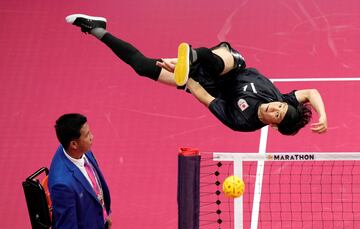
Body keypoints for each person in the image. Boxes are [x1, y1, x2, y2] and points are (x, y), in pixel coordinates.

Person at [65, 14, 327, 135]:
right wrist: (324, 116)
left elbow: (202, 96)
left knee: (143, 66)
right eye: (279, 105)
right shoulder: (284, 100)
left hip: (207, 85)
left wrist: (182, 76)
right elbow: (312, 92)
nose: (274, 107)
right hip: (232, 64)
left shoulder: (242, 121)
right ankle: (193, 55)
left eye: (276, 114)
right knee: (215, 61)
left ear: (272, 124)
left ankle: (96, 29)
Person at [48, 113, 112, 229]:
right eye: (87, 135)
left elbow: (95, 186)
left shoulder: (77, 149)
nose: (92, 137)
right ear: (74, 144)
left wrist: (104, 214)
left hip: (96, 223)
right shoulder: (62, 185)